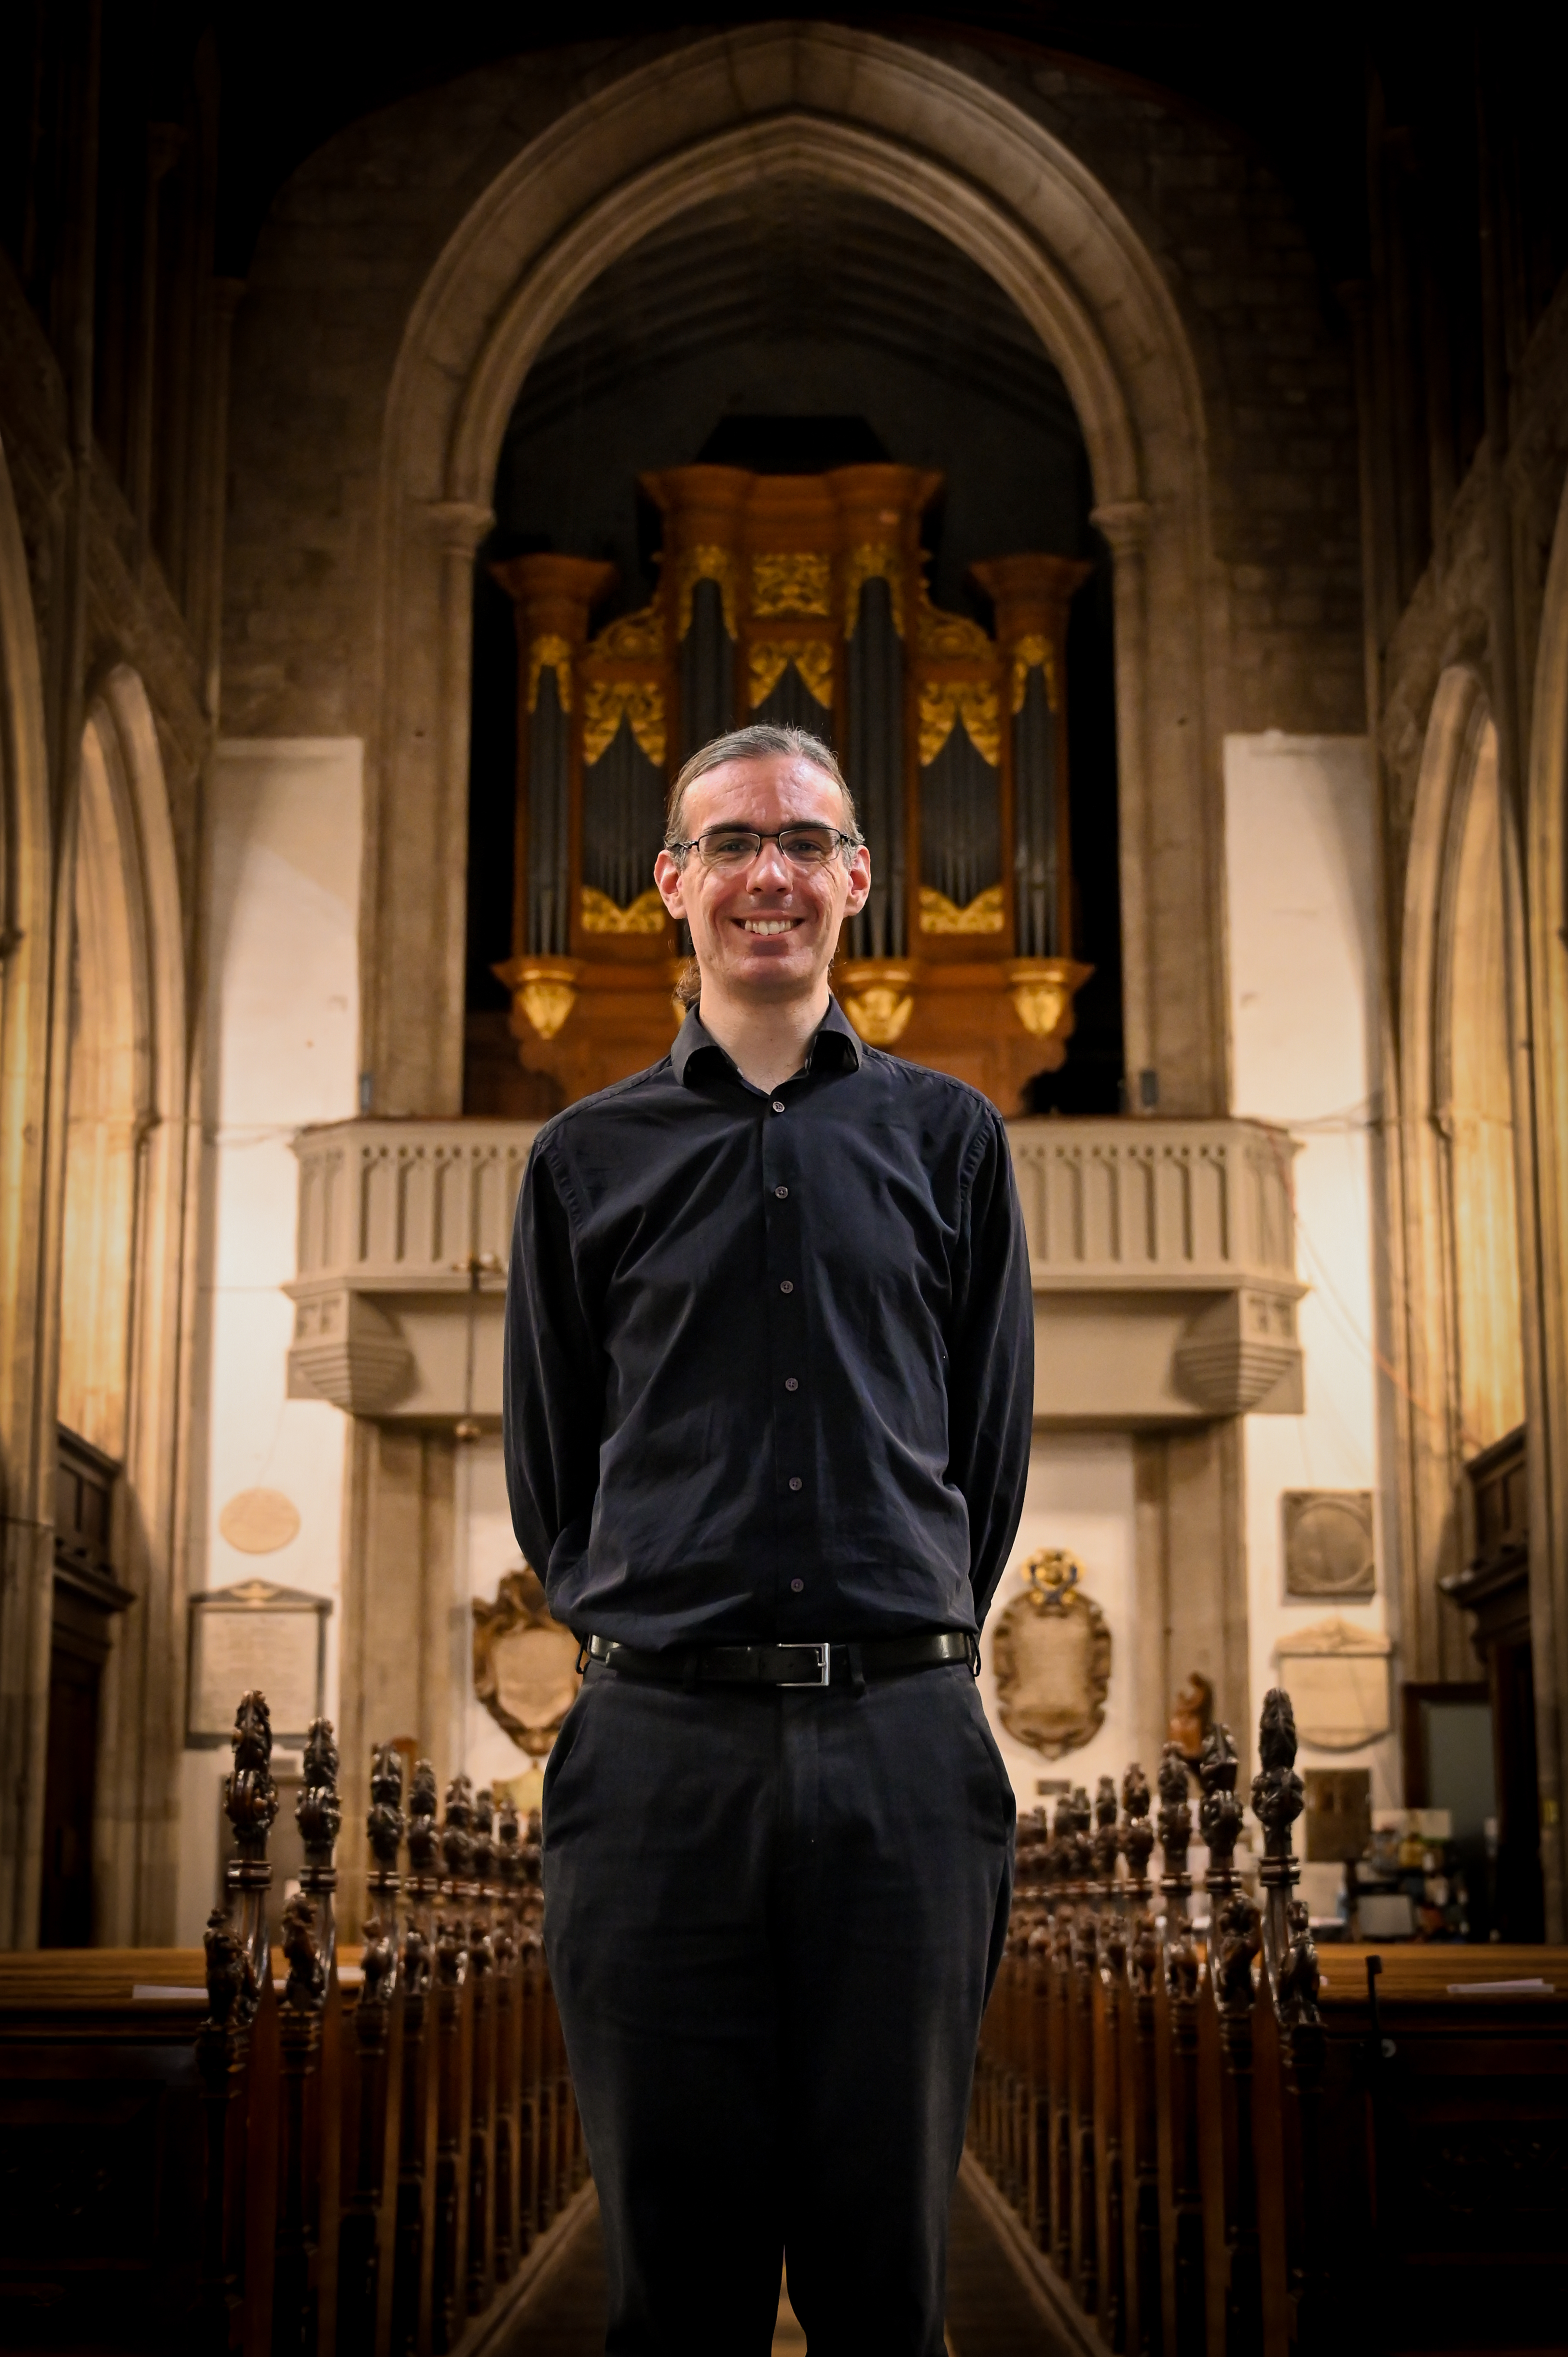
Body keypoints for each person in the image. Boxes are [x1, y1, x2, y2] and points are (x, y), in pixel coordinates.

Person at [504, 722, 1033, 2355]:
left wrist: (899, 1630)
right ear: (668, 884)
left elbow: (984, 1454)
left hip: (901, 1747)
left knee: (889, 2277)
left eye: (804, 843)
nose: (768, 876)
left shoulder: (952, 1139)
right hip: (660, 1753)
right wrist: (654, 1629)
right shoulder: (581, 1159)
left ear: (858, 879)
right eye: (729, 844)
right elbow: (553, 1472)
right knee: (677, 2283)